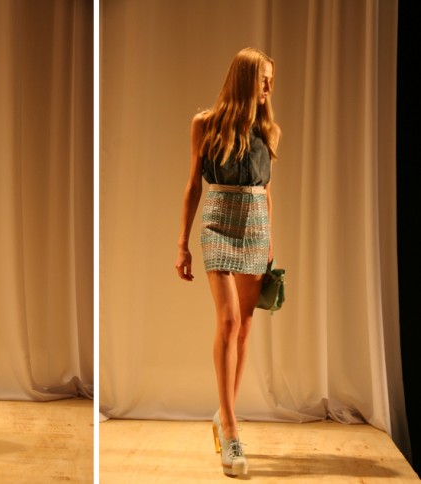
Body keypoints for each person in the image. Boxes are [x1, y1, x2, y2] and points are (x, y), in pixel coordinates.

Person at [175, 47, 281, 476]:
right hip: (218, 224)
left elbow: (267, 192)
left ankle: (224, 414)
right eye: (262, 78)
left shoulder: (268, 130)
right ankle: (232, 431)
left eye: (271, 79)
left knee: (246, 326)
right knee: (229, 321)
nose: (268, 87)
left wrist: (269, 239)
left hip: (255, 228)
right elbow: (192, 187)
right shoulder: (205, 124)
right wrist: (182, 244)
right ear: (243, 79)